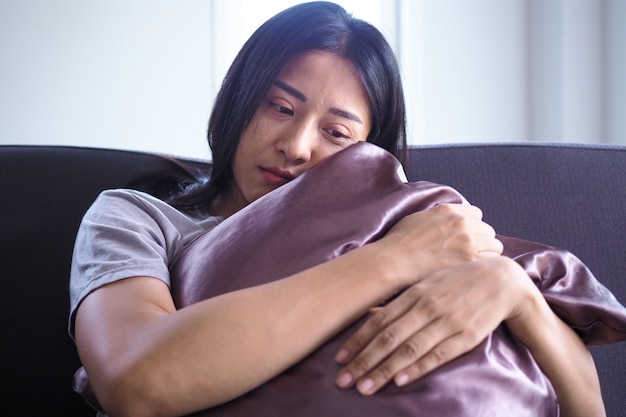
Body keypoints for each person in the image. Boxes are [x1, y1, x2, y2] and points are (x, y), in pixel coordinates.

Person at [69, 2, 606, 417]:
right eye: (280, 107)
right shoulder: (138, 219)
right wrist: (394, 261)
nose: (297, 146)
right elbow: (136, 383)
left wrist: (517, 295)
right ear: (236, 99)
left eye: (336, 133)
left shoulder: (412, 225)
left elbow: (588, 408)